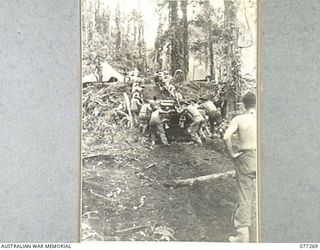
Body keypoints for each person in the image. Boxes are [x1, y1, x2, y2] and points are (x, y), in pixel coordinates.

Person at [223, 92, 257, 243]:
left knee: (245, 196)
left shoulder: (239, 119)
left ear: (244, 104)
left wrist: (232, 154)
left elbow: (225, 136)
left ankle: (243, 238)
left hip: (246, 158)